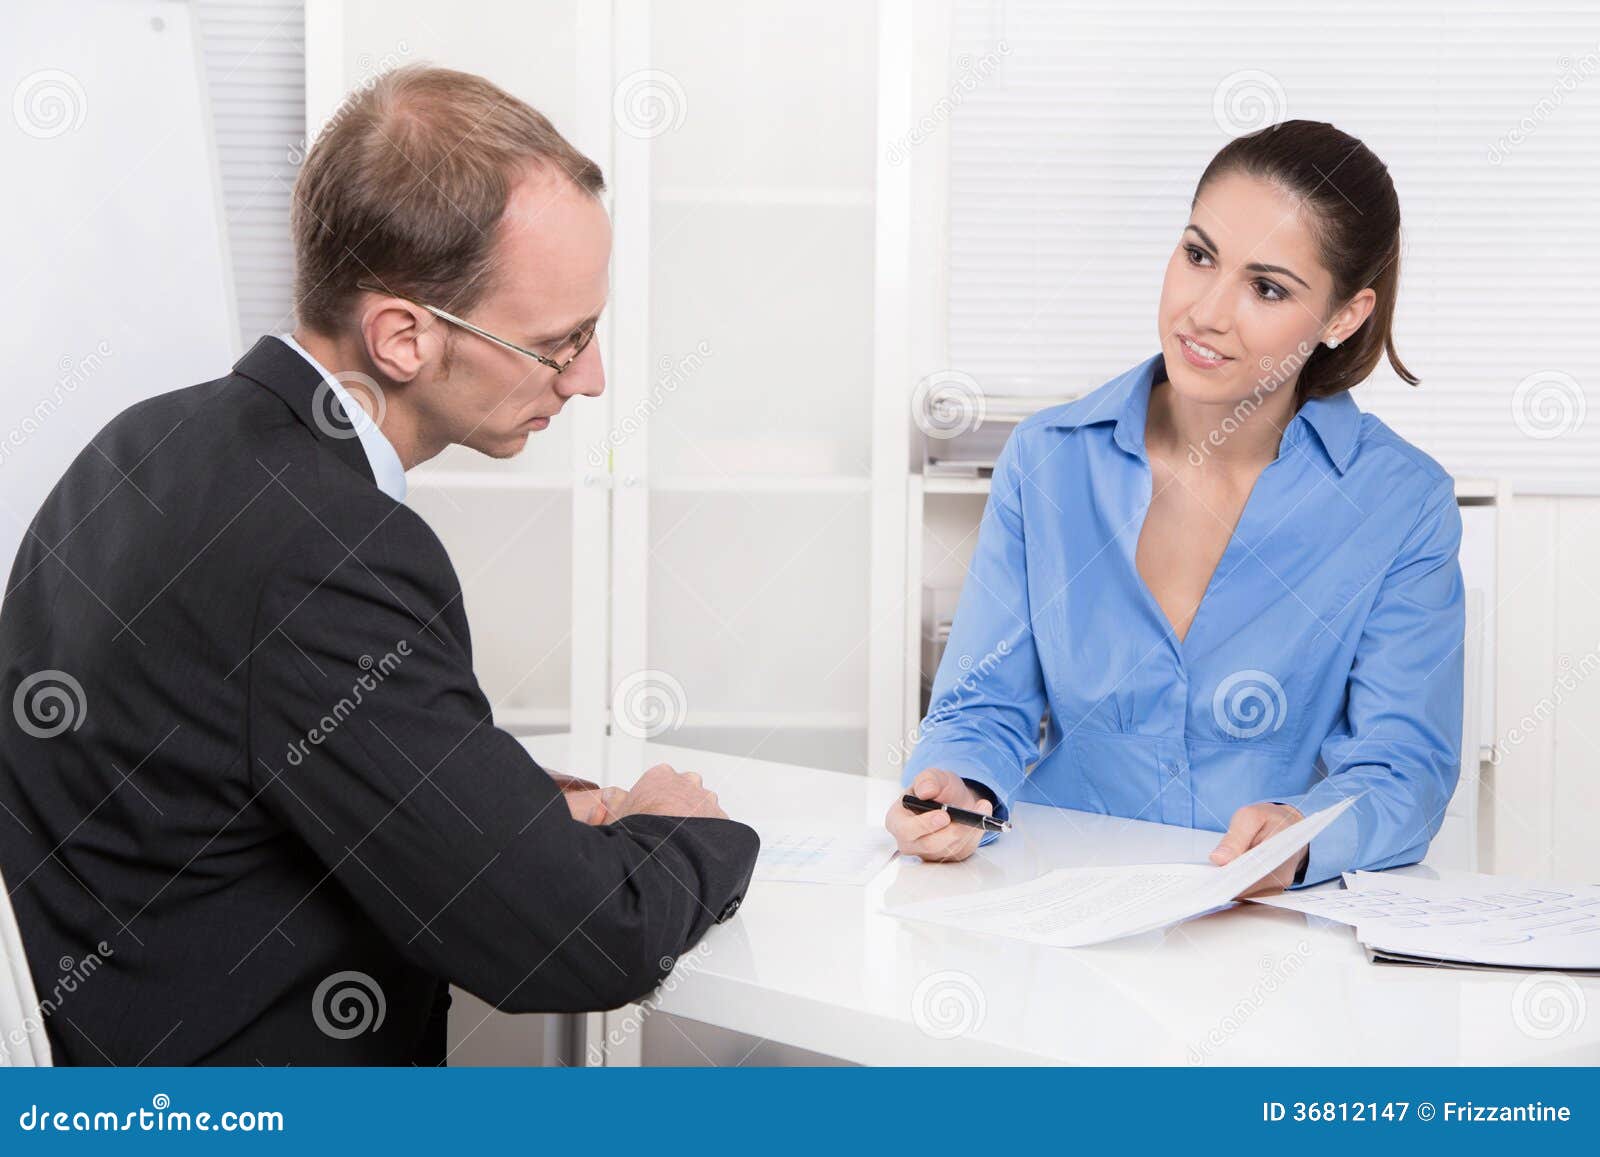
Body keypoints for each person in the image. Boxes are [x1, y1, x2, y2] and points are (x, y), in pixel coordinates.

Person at [0, 65, 758, 1065]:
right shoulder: (332, 550)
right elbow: (581, 939)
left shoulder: (142, 442)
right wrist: (678, 827)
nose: (590, 378)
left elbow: (231, 753)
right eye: (558, 342)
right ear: (402, 336)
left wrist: (510, 805)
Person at [888, 121, 1463, 895]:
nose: (1207, 312)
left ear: (1343, 317)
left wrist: (1302, 833)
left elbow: (1404, 769)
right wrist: (959, 786)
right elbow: (982, 701)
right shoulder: (1051, 460)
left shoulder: (1401, 502)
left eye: (1267, 288)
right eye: (1199, 256)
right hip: (1056, 905)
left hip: (1267, 925)